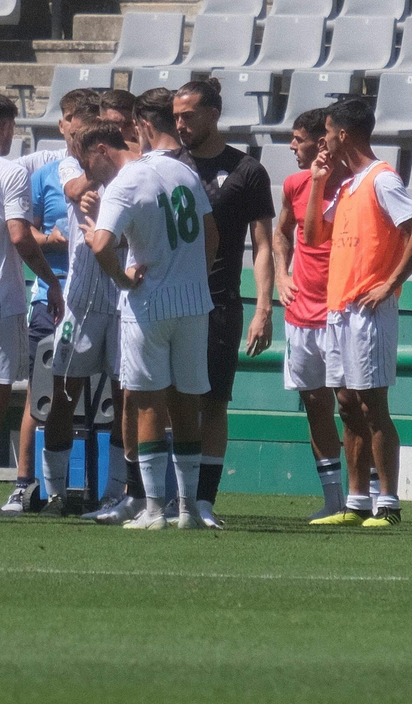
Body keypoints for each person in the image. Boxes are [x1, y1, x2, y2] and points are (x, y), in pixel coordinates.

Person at [85, 92, 218, 532]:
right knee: (187, 404)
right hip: (194, 302)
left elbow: (102, 245)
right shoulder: (184, 170)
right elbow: (210, 234)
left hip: (149, 306)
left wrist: (123, 280)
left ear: (139, 126)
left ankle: (155, 510)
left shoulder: (128, 180)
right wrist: (193, 274)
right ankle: (188, 510)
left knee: (146, 405)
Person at [304, 98, 412, 528]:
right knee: (346, 403)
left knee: (373, 403)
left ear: (343, 134)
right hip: (341, 308)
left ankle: (389, 502)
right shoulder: (347, 184)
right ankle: (356, 502)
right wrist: (318, 181)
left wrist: (390, 282)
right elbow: (312, 233)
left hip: (368, 308)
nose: (322, 139)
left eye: (326, 130)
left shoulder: (382, 180)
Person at [173, 78, 276, 529]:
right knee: (168, 400)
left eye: (188, 115)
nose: (180, 123)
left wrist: (263, 308)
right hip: (169, 300)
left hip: (219, 301)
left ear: (213, 114)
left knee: (213, 402)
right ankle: (164, 497)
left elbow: (263, 244)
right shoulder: (168, 164)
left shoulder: (246, 170)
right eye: (176, 115)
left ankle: (205, 501)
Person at [0, 92, 64, 513]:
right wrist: (49, 281)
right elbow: (22, 237)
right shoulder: (8, 172)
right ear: (5, 128)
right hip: (0, 302)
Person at [6, 87, 103, 514]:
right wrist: (51, 238)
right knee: (44, 395)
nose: (76, 134)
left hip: (105, 293)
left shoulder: (113, 170)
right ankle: (26, 486)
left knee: (111, 393)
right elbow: (26, 233)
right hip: (53, 292)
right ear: (62, 124)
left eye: (86, 127)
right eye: (71, 124)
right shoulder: (46, 173)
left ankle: (105, 489)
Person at [271, 107, 348, 521]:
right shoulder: (295, 184)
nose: (291, 147)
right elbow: (282, 233)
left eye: (297, 139)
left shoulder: (356, 186)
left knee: (353, 405)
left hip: (342, 312)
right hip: (302, 313)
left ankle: (368, 497)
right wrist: (282, 276)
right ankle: (334, 499)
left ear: (322, 142)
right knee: (315, 403)